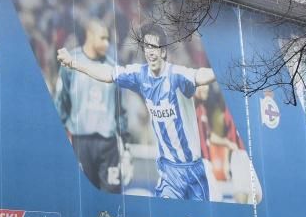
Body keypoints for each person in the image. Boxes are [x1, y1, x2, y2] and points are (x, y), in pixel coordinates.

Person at [57, 23, 215, 200]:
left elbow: (199, 75)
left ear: (163, 52)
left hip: (194, 170)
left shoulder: (177, 75)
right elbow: (108, 73)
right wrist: (74, 63)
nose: (150, 52)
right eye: (147, 47)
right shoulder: (140, 75)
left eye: (155, 47)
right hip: (169, 171)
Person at [54, 19, 128, 193]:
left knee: (112, 199)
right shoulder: (71, 62)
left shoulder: (112, 68)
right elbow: (62, 100)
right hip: (81, 142)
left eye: (108, 39)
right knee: (81, 195)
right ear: (90, 35)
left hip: (108, 144)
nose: (106, 43)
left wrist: (126, 143)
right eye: (102, 38)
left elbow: (120, 109)